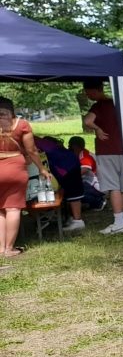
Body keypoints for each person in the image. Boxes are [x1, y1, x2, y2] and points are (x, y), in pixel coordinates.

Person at [82, 79, 123, 235]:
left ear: (95, 90)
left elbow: (87, 121)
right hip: (122, 150)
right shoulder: (118, 103)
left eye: (88, 93)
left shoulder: (99, 106)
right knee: (122, 187)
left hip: (106, 151)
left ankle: (118, 223)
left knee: (113, 188)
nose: (87, 96)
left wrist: (98, 129)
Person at [0, 98, 52, 255]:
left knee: (0, 211)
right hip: (15, 168)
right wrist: (42, 168)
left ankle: (0, 248)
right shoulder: (21, 125)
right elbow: (32, 150)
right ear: (12, 110)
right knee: (13, 208)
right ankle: (9, 248)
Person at [36, 136, 88, 231]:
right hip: (69, 164)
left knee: (74, 194)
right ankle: (74, 218)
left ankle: (78, 221)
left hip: (66, 166)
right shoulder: (40, 141)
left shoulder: (35, 143)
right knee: (72, 193)